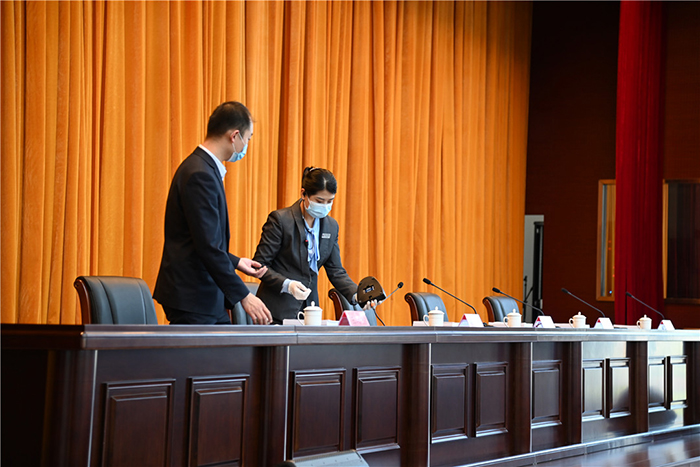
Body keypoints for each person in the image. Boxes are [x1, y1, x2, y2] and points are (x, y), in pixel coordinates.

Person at [154, 101, 272, 325]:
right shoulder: (200, 174)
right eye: (248, 138)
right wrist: (244, 295)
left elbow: (202, 239)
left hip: (202, 296)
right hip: (193, 296)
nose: (246, 145)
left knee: (228, 346)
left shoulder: (202, 167)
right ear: (234, 136)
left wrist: (236, 262)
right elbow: (207, 246)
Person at [253, 167, 369, 323]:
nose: (325, 206)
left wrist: (357, 295)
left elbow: (336, 271)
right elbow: (259, 265)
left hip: (310, 311)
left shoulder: (331, 226)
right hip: (275, 311)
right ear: (304, 194)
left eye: (330, 201)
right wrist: (287, 285)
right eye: (319, 201)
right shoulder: (280, 220)